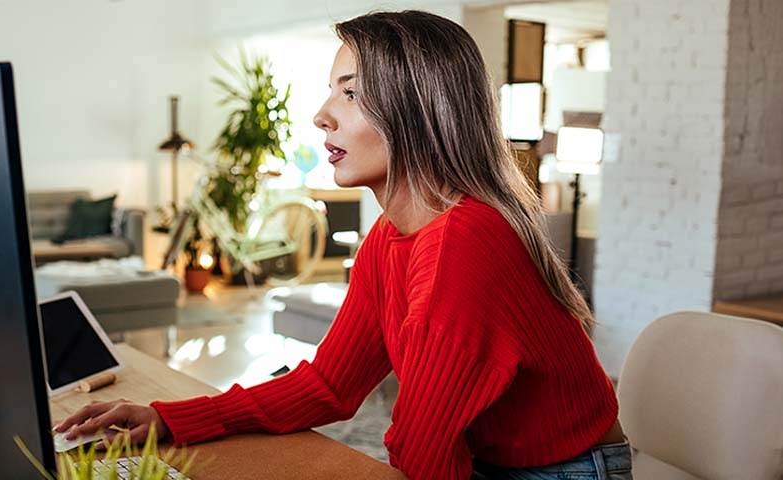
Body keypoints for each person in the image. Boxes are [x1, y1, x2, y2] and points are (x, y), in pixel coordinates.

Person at [55, 10, 631, 480]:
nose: (321, 116)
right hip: (494, 458)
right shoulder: (389, 237)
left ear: (417, 110)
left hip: (565, 470)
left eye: (350, 94)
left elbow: (423, 452)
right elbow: (329, 386)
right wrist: (169, 418)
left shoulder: (465, 241)